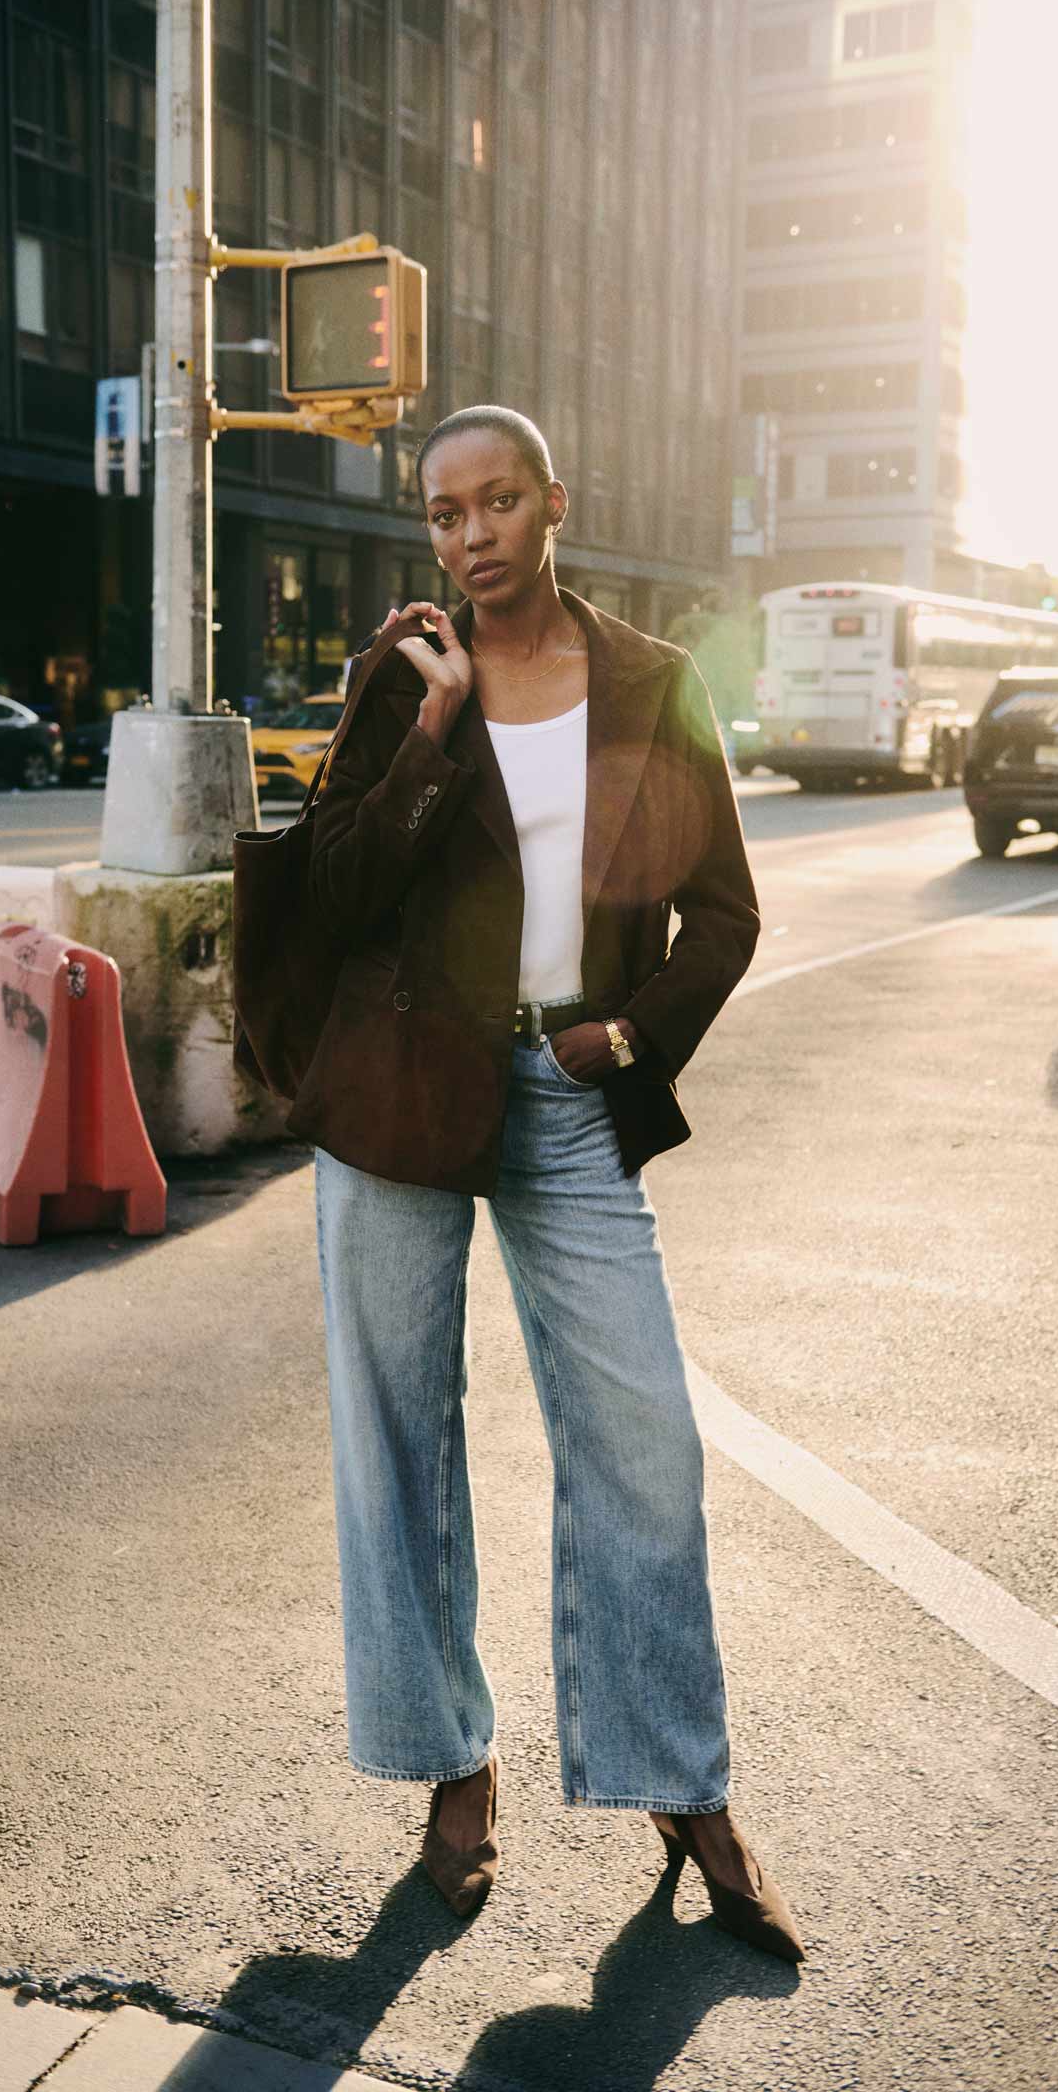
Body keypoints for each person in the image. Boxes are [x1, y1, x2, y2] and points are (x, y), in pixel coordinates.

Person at [288, 405, 803, 1962]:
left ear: (553, 504)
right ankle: (455, 1768)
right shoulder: (399, 678)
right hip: (400, 1092)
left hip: (566, 1098)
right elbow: (331, 889)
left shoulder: (654, 683)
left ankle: (683, 1782)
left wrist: (630, 1033)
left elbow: (724, 913)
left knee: (644, 1438)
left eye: (498, 501)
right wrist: (433, 731)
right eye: (443, 514)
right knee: (396, 1431)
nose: (471, 536)